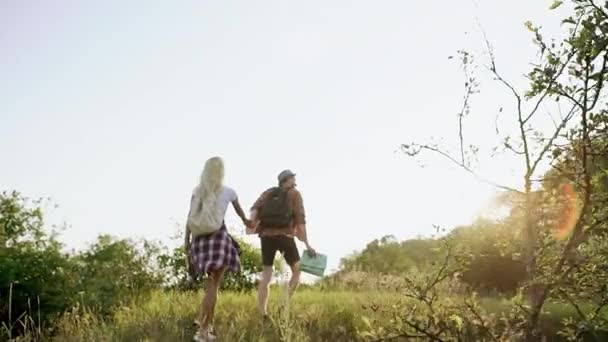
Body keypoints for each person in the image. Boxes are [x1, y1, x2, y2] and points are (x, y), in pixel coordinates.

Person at [184, 157, 251, 341]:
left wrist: (187, 247)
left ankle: (205, 323)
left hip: (199, 240)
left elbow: (189, 219)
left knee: (210, 285)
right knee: (213, 286)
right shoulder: (229, 192)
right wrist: (248, 222)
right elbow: (243, 216)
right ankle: (204, 331)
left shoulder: (198, 191)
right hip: (218, 239)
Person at [248, 169, 316, 320]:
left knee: (266, 275)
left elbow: (254, 209)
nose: (294, 179)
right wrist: (307, 244)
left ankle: (263, 313)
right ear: (289, 179)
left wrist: (251, 227)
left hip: (266, 236)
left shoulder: (268, 193)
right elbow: (300, 219)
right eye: (293, 177)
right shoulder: (295, 194)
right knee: (297, 270)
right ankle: (283, 304)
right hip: (285, 236)